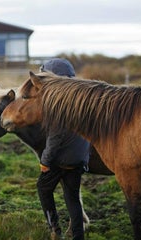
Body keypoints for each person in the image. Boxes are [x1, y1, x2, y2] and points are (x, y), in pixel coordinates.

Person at [37, 58, 90, 240]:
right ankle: (78, 236)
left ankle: (55, 229)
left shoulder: (58, 101)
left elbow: (55, 137)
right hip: (79, 159)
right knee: (72, 199)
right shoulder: (82, 97)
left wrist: (45, 161)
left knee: (43, 188)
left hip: (61, 159)